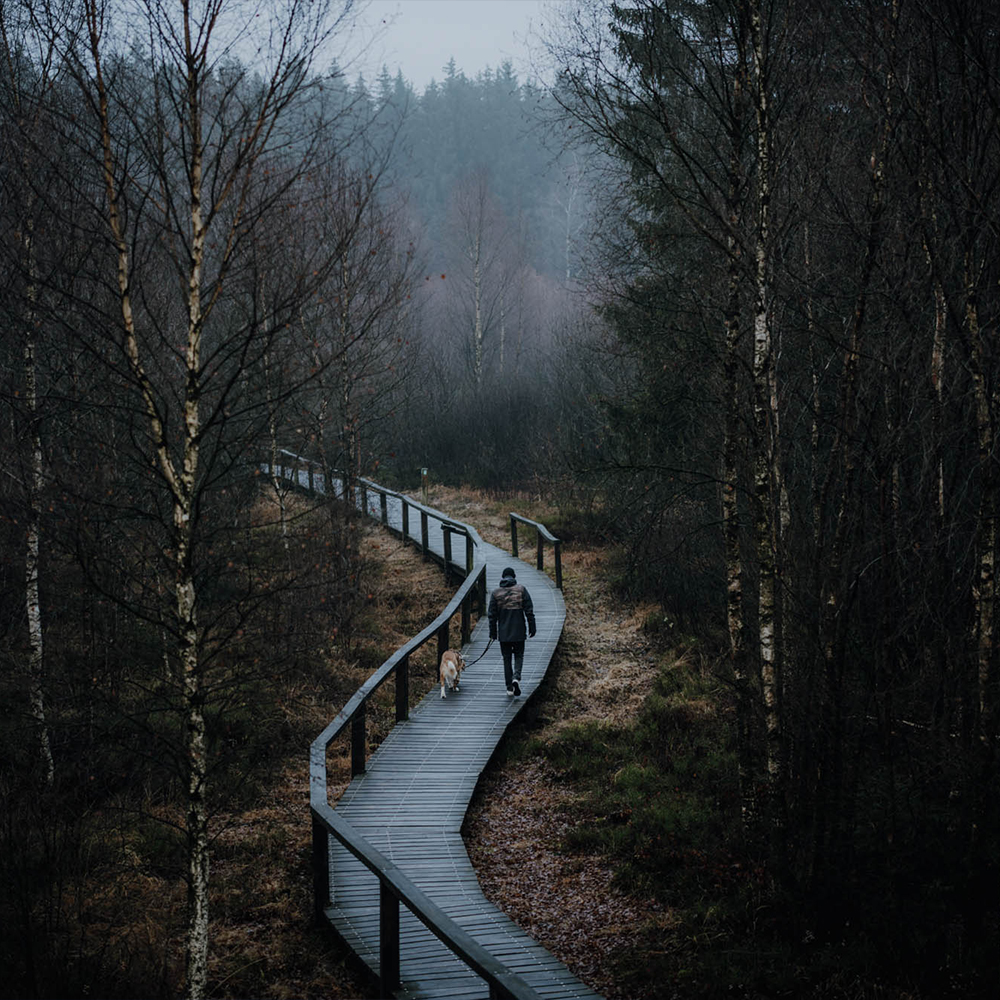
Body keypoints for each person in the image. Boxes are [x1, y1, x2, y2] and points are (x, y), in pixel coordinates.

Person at [488, 566, 535, 697]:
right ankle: (516, 677)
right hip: (519, 630)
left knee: (506, 659)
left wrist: (493, 633)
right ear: (514, 577)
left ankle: (509, 687)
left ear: (503, 578)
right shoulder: (521, 590)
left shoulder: (496, 593)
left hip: (504, 633)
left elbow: (492, 615)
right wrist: (532, 627)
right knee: (519, 655)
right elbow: (529, 610)